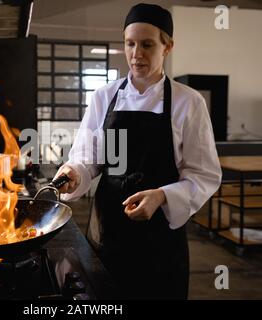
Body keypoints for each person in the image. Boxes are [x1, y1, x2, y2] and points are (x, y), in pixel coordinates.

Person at [54, 3, 222, 299]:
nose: (136, 53)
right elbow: (88, 158)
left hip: (161, 239)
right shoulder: (104, 97)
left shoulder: (188, 102)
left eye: (147, 44)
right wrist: (73, 172)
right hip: (108, 230)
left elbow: (204, 174)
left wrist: (162, 196)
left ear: (167, 47)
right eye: (130, 44)